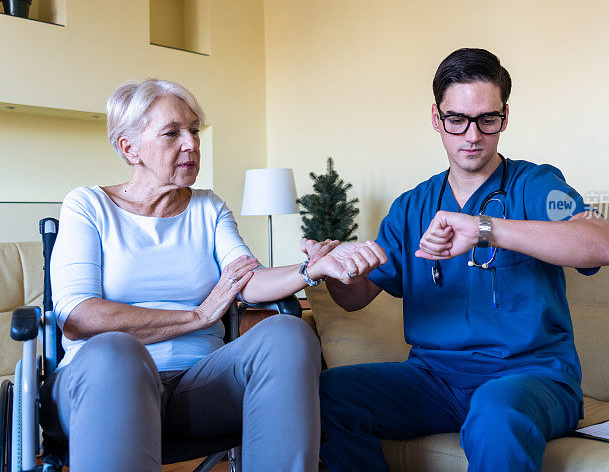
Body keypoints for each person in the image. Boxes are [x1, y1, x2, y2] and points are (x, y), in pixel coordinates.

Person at [43, 78, 386, 472]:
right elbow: (79, 317)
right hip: (105, 385)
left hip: (197, 386)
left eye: (193, 130)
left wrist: (312, 269)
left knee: (289, 334)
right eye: (172, 133)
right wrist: (197, 316)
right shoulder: (87, 206)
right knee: (116, 351)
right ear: (129, 147)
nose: (191, 143)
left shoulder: (208, 207)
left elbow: (248, 280)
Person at [310, 49, 609, 471]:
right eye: (456, 119)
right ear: (436, 119)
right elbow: (354, 298)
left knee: (495, 410)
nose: (472, 135)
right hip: (434, 380)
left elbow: (603, 245)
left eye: (487, 120)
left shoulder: (534, 183)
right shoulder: (412, 206)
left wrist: (486, 228)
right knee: (325, 394)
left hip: (531, 378)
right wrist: (336, 269)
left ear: (505, 117)